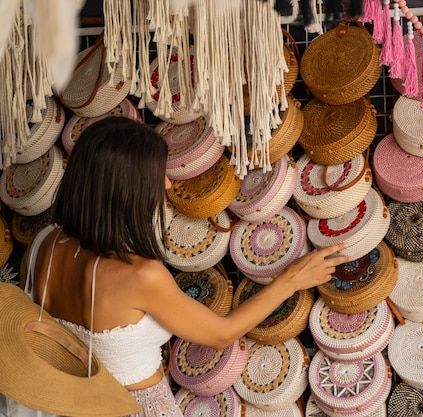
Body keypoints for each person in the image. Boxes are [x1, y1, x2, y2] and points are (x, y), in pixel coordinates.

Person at [20, 117, 350, 416]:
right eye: (156, 174)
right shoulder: (139, 275)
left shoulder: (43, 245)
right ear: (126, 188)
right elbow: (221, 334)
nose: (165, 185)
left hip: (71, 406)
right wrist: (291, 280)